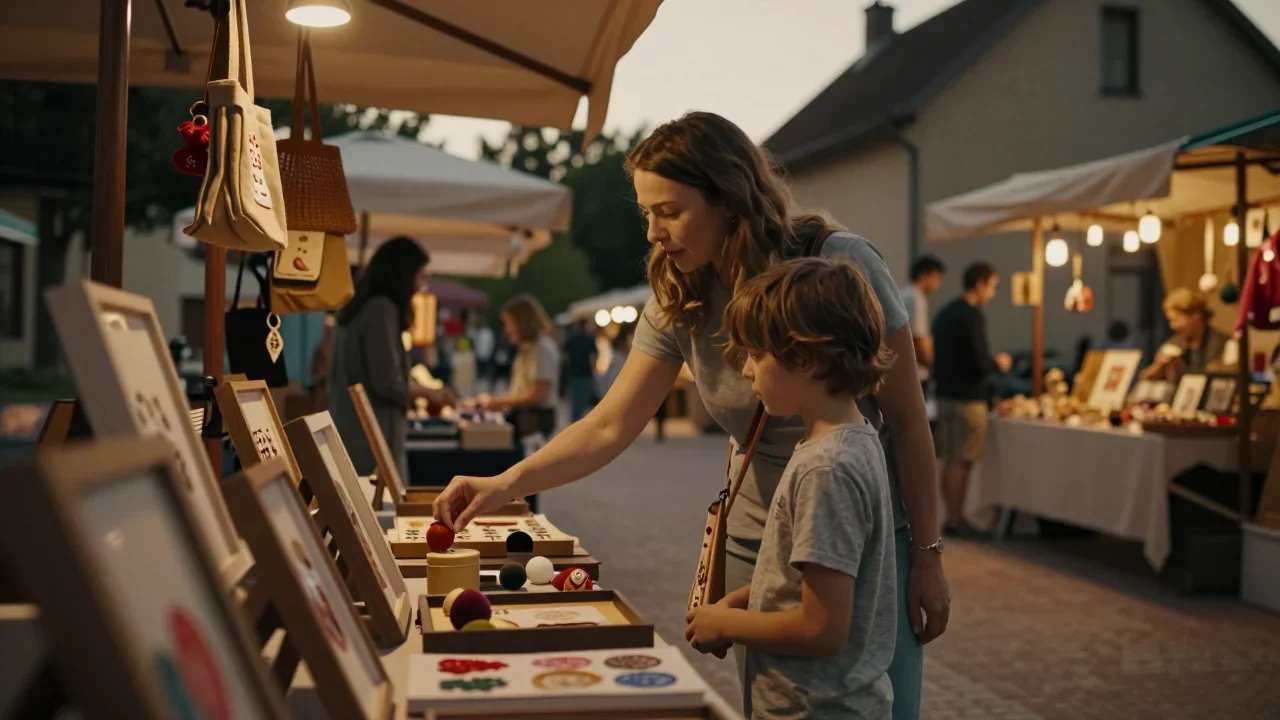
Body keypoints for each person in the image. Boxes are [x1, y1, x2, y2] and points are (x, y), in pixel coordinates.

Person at [434, 112, 948, 720]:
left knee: (880, 704)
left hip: (864, 538)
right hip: (759, 537)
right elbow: (607, 425)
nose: (653, 232)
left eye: (670, 210)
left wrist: (928, 555)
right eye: (646, 213)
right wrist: (507, 483)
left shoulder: (837, 264)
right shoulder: (679, 294)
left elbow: (910, 422)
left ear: (729, 198)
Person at [685, 256, 897, 719]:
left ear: (805, 359)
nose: (745, 371)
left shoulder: (828, 468)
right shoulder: (850, 440)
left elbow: (821, 628)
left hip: (814, 708)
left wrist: (730, 622)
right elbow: (807, 585)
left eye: (756, 355)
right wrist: (745, 598)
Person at [327, 237, 458, 478]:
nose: (421, 287)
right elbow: (387, 382)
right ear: (403, 274)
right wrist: (431, 393)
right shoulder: (380, 310)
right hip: (373, 439)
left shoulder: (358, 308)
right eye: (420, 276)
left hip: (354, 431)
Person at [931, 262, 1011, 538]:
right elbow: (979, 361)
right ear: (979, 284)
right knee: (961, 461)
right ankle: (956, 518)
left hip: (945, 394)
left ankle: (951, 516)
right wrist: (998, 363)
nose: (993, 293)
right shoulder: (971, 315)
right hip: (968, 398)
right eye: (992, 286)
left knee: (950, 459)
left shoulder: (944, 313)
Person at [469, 294, 560, 414]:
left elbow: (538, 395)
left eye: (508, 323)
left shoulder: (542, 349)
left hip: (536, 421)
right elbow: (520, 391)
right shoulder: (528, 349)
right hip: (527, 417)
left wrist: (497, 402)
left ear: (522, 322)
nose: (506, 330)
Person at [1141, 288, 1229, 382]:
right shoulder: (1174, 343)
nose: (1173, 326)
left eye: (1177, 320)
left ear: (1196, 314)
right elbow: (1146, 378)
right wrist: (1159, 366)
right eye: (1170, 321)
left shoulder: (1222, 343)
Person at [900, 256, 945, 391]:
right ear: (925, 275)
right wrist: (933, 366)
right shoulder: (915, 298)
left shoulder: (904, 294)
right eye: (937, 278)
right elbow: (918, 338)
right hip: (916, 371)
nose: (938, 283)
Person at [564, 321, 598, 422]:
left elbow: (565, 356)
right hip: (586, 372)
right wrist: (594, 368)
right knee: (584, 399)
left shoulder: (572, 339)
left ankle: (575, 422)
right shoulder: (589, 339)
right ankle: (582, 421)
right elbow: (595, 355)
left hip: (574, 373)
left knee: (575, 401)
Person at [470, 314, 497, 390]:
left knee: (484, 371)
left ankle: (484, 383)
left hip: (485, 354)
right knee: (480, 371)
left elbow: (490, 343)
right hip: (480, 354)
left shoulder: (487, 333)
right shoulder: (480, 332)